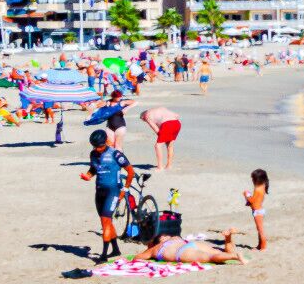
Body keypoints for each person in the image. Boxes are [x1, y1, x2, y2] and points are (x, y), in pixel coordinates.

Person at [79, 129, 135, 262]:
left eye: (100, 146)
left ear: (105, 143)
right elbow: (93, 169)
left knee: (105, 221)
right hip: (100, 191)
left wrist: (125, 190)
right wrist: (88, 176)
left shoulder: (116, 154)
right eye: (95, 146)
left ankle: (103, 255)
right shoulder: (93, 154)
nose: (97, 149)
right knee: (106, 221)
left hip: (113, 191)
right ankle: (115, 249)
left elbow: (130, 171)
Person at [142, 230, 244, 264]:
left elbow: (138, 257)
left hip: (182, 252)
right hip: (191, 244)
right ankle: (228, 238)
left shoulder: (157, 248)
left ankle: (235, 256)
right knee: (221, 253)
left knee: (210, 258)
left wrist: (150, 248)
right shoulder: (176, 238)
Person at [133, 102, 181, 168]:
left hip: (167, 124)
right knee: (170, 145)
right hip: (177, 123)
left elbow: (156, 129)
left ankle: (160, 166)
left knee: (157, 146)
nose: (145, 121)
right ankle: (169, 165)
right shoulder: (160, 108)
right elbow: (177, 115)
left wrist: (162, 136)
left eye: (144, 120)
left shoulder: (147, 115)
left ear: (143, 117)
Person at [244, 168, 269, 250]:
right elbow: (256, 201)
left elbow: (252, 200)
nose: (252, 181)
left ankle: (263, 246)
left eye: (253, 179)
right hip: (259, 209)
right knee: (259, 229)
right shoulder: (263, 186)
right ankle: (260, 245)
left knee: (260, 229)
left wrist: (246, 195)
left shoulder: (257, 189)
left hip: (257, 211)